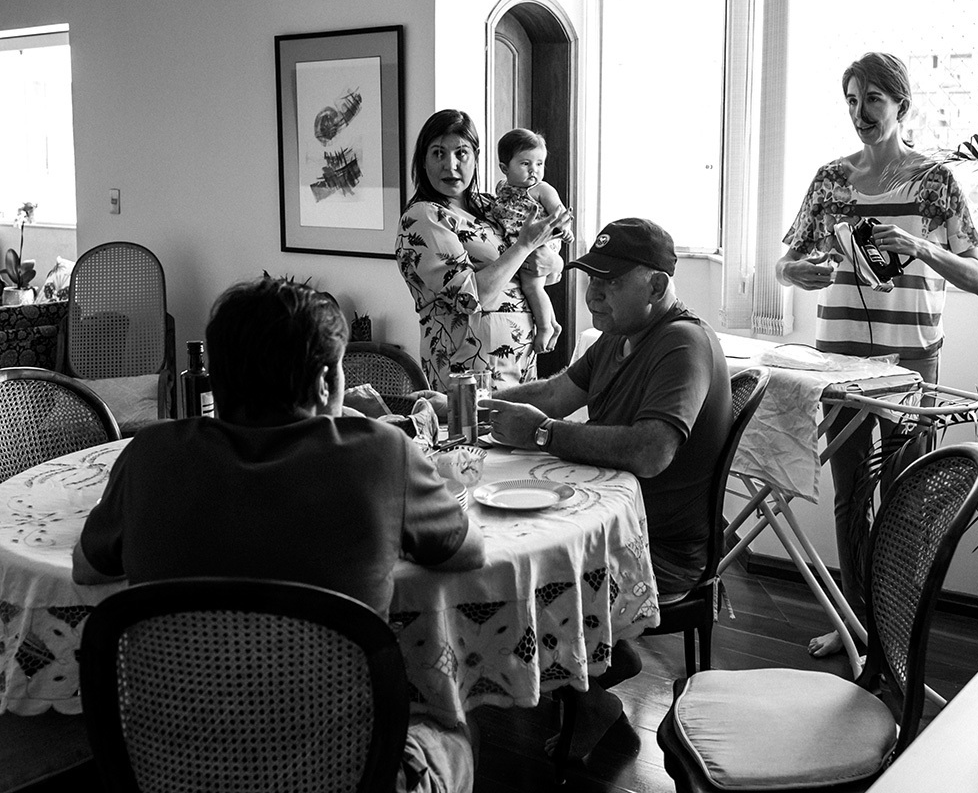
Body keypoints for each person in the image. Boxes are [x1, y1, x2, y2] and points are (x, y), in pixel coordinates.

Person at [72, 275, 483, 793]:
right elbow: (468, 553)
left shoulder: (150, 456)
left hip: (169, 771)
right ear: (324, 385)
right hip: (345, 777)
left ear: (216, 381)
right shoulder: (382, 455)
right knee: (455, 729)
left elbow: (87, 570)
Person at [484, 217, 733, 758]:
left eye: (612, 281)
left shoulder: (681, 344)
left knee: (524, 571)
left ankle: (594, 685)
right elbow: (553, 393)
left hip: (656, 547)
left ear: (658, 287)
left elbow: (651, 451)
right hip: (613, 526)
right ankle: (596, 660)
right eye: (592, 276)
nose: (594, 291)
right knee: (513, 547)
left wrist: (545, 434)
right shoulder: (618, 338)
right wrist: (475, 406)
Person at [776, 52, 978, 658]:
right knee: (849, 497)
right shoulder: (829, 180)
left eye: (872, 99)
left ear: (901, 105)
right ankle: (858, 626)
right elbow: (783, 264)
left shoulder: (936, 182)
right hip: (838, 362)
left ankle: (899, 630)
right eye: (850, 100)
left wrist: (920, 246)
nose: (859, 112)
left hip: (909, 363)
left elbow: (977, 278)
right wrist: (799, 273)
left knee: (906, 498)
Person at [396, 110, 570, 393]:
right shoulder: (425, 216)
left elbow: (550, 273)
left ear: (476, 157)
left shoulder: (494, 205)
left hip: (520, 365)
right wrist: (525, 246)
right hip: (467, 373)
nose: (450, 165)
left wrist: (551, 258)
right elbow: (468, 298)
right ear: (423, 160)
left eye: (461, 153)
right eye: (438, 153)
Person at [492, 128, 573, 355]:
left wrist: (565, 230)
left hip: (540, 243)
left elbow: (560, 214)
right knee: (531, 287)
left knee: (532, 286)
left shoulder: (541, 189)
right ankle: (552, 324)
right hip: (520, 245)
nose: (534, 171)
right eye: (525, 164)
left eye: (539, 164)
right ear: (504, 168)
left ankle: (545, 328)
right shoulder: (503, 189)